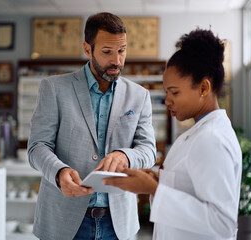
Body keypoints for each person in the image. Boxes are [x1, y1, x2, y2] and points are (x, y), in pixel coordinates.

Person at [27, 12, 156, 240]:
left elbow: (148, 151)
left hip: (118, 225)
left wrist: (125, 156)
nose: (116, 60)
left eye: (122, 50)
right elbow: (37, 147)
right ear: (87, 49)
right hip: (63, 222)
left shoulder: (140, 96)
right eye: (107, 52)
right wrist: (59, 172)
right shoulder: (54, 88)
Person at [104, 28, 242, 240]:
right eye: (166, 91)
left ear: (204, 87)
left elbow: (222, 224)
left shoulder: (212, 139)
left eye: (174, 92)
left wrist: (155, 190)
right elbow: (194, 188)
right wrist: (158, 180)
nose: (167, 100)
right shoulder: (199, 132)